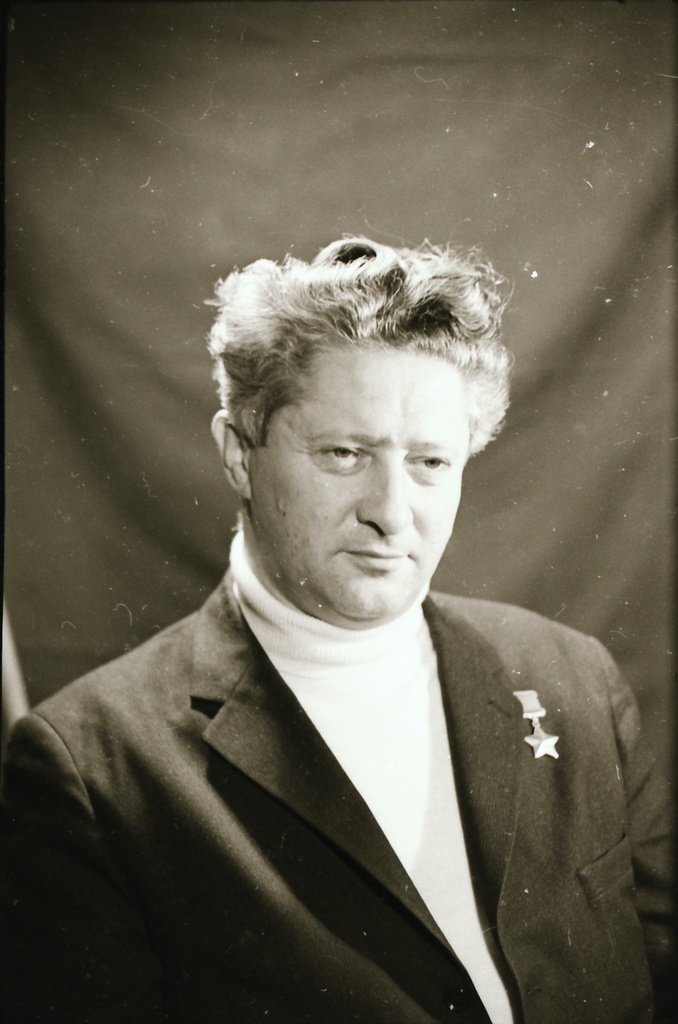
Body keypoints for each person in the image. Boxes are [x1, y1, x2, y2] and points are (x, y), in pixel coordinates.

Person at [1, 237, 673, 1024]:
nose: (391, 513)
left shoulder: (576, 680)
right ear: (238, 453)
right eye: (346, 453)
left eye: (430, 463)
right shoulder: (91, 768)